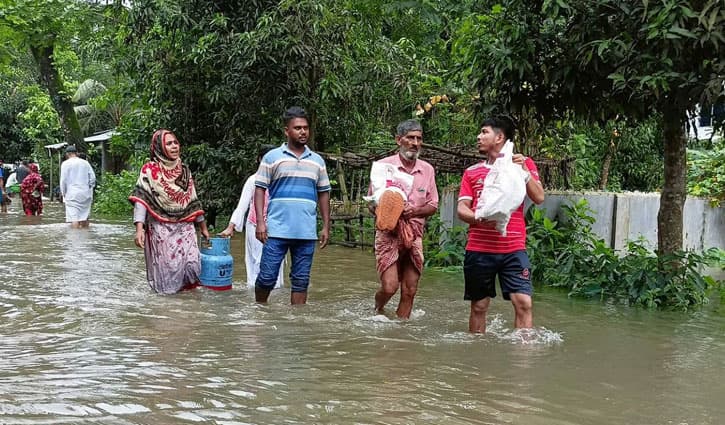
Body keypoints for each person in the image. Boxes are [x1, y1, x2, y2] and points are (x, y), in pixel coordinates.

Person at [456, 116, 545, 333]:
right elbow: (462, 209)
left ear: (500, 137)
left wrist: (523, 172)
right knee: (479, 306)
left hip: (514, 249)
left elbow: (539, 197)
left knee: (524, 302)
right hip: (479, 249)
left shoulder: (523, 165)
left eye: (484, 132)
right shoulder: (472, 172)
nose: (479, 136)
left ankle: (522, 360)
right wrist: (478, 218)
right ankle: (477, 354)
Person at [253, 106, 331, 305]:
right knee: (267, 277)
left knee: (301, 280)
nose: (303, 132)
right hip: (276, 230)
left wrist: (325, 226)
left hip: (306, 232)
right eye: (297, 128)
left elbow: (324, 193)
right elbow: (260, 189)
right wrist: (261, 223)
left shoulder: (317, 161)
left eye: (305, 128)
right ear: (286, 131)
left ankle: (297, 323)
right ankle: (260, 310)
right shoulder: (272, 157)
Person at [367, 119, 439, 319]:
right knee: (389, 288)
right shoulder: (383, 167)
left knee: (410, 290)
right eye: (410, 138)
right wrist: (391, 210)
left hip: (414, 233)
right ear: (399, 140)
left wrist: (413, 211)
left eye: (419, 139)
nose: (415, 143)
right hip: (388, 233)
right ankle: (377, 308)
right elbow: (372, 203)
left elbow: (433, 205)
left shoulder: (427, 170)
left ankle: (401, 333)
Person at [129, 129, 211, 295]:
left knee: (192, 265)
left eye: (176, 142)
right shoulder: (149, 170)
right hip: (161, 228)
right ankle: (168, 311)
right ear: (159, 147)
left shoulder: (185, 170)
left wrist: (203, 228)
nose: (174, 146)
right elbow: (142, 200)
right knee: (169, 271)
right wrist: (139, 229)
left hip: (186, 226)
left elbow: (193, 201)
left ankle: (188, 308)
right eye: (169, 143)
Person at [219, 144, 285, 289]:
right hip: (255, 227)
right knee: (256, 262)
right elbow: (242, 206)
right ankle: (255, 298)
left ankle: (275, 298)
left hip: (278, 229)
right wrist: (231, 227)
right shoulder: (253, 180)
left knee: (277, 264)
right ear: (259, 159)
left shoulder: (282, 181)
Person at [60, 146, 96, 228]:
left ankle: (75, 238)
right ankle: (84, 236)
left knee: (74, 217)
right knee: (84, 216)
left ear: (67, 154)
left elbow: (63, 180)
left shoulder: (65, 164)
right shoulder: (85, 163)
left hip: (72, 193)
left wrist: (63, 193)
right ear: (76, 153)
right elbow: (93, 178)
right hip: (85, 193)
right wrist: (89, 188)